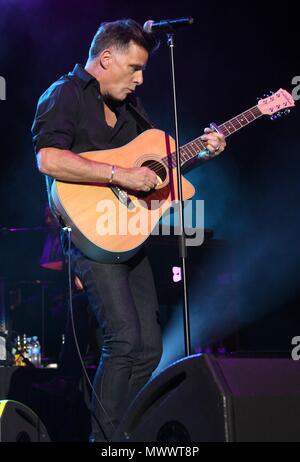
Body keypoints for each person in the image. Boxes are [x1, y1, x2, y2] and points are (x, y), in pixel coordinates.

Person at [31, 19, 226, 442]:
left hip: (130, 232)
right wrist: (120, 174)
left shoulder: (129, 108)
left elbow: (156, 168)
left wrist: (203, 154)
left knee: (149, 348)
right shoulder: (64, 94)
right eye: (134, 68)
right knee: (122, 341)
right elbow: (49, 159)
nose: (139, 79)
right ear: (106, 58)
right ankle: (104, 442)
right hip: (89, 231)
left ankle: (127, 434)